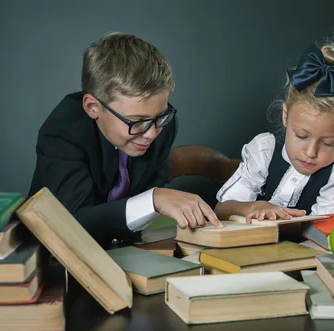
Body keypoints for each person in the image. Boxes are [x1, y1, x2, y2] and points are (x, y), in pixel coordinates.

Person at [28, 32, 221, 247]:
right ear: (93, 107)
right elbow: (73, 223)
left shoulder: (161, 126)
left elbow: (144, 222)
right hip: (57, 259)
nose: (151, 134)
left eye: (160, 116)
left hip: (129, 250)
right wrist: (153, 199)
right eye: (136, 121)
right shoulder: (63, 131)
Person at [215, 41, 334, 224]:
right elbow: (221, 210)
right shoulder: (264, 150)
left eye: (328, 143)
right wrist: (251, 207)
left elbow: (322, 227)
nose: (310, 152)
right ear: (285, 116)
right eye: (301, 135)